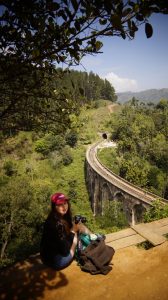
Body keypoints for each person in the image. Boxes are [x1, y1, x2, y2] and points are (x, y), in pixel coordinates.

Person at [40, 192, 91, 270]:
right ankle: (93, 238)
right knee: (76, 231)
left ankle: (93, 236)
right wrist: (73, 231)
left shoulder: (60, 217)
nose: (64, 207)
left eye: (65, 203)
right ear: (54, 207)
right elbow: (65, 251)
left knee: (78, 225)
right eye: (60, 205)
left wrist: (74, 227)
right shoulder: (55, 224)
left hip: (48, 257)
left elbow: (64, 239)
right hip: (57, 261)